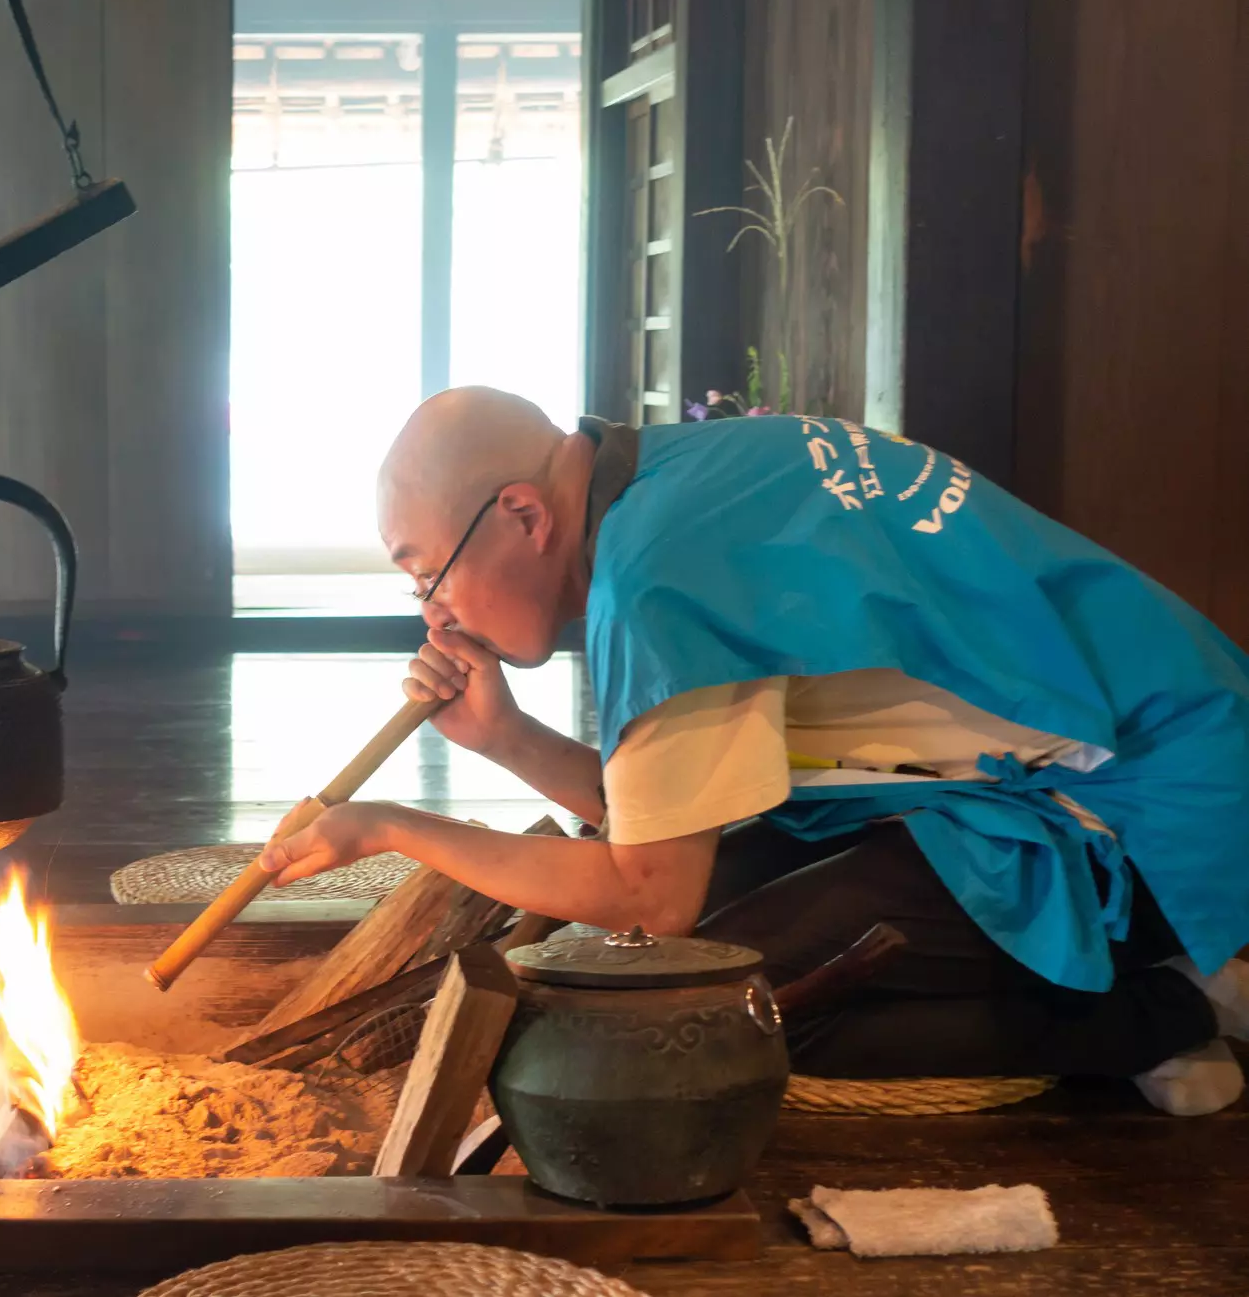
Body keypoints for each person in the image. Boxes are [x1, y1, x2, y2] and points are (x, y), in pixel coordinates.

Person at [259, 387, 1249, 1115]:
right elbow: (674, 831)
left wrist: (391, 825)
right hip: (1148, 744)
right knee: (715, 902)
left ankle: (1161, 1006)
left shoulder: (651, 583)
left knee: (715, 1002)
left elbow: (649, 892)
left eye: (428, 571)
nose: (433, 610)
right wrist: (508, 737)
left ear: (523, 513)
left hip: (1154, 804)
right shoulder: (678, 480)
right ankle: (1150, 979)